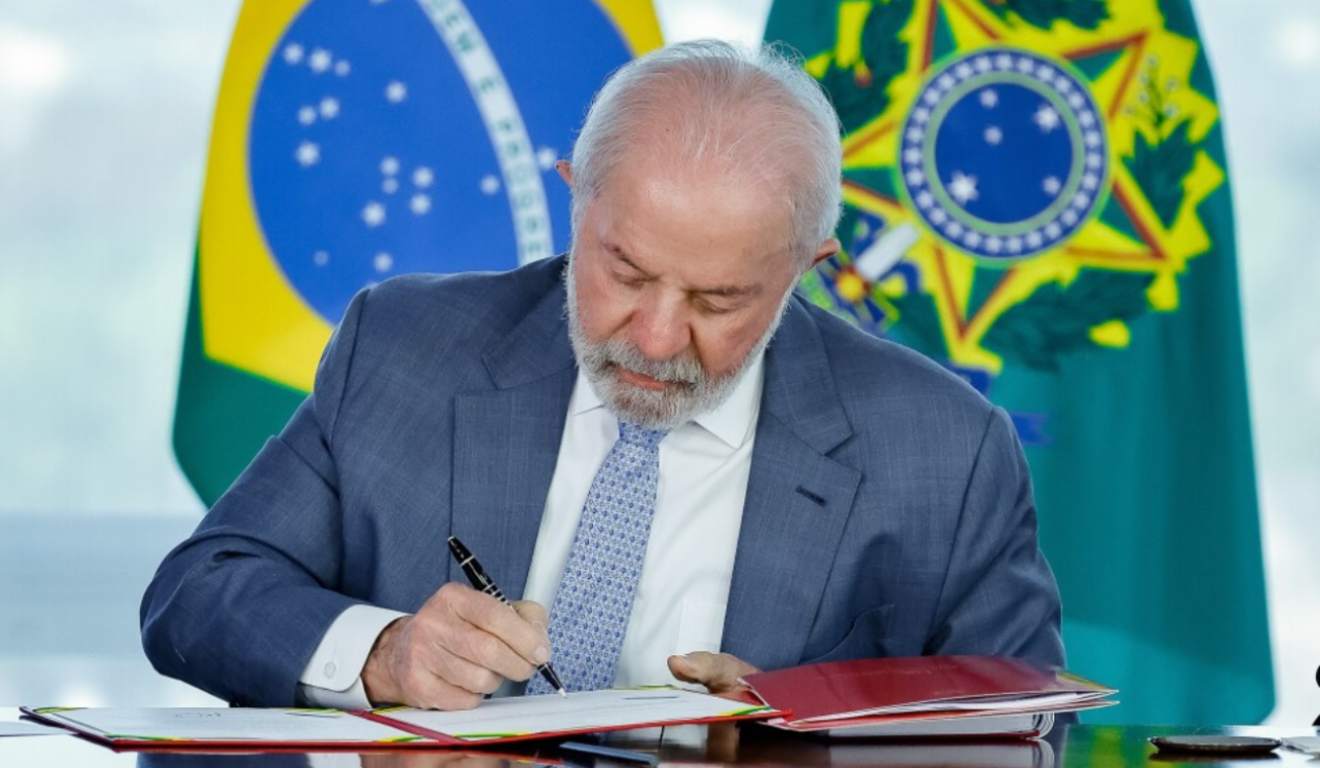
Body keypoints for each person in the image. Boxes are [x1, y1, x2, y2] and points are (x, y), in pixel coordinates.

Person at [141, 40, 1064, 710]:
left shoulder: (946, 447)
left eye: (717, 301)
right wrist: (383, 655)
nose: (656, 339)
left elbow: (1022, 721)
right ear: (572, 193)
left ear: (807, 267)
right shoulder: (408, 344)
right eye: (623, 272)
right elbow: (199, 595)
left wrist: (813, 721)